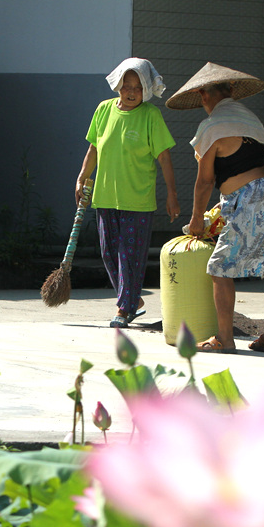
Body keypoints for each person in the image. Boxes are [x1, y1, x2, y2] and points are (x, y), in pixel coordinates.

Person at [166, 62, 264, 353]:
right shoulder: (250, 118)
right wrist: (229, 200)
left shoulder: (212, 126)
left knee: (219, 268)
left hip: (249, 197)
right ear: (231, 91)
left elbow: (204, 182)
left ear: (204, 95)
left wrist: (197, 220)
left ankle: (224, 339)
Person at [75, 57, 180, 328]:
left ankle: (125, 308)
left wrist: (171, 194)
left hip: (138, 200)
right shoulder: (103, 110)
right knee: (109, 253)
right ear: (118, 85)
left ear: (146, 89)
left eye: (137, 87)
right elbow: (93, 148)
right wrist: (82, 177)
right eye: (126, 85)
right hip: (105, 196)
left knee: (129, 255)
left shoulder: (150, 116)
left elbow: (164, 157)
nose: (131, 92)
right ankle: (133, 298)